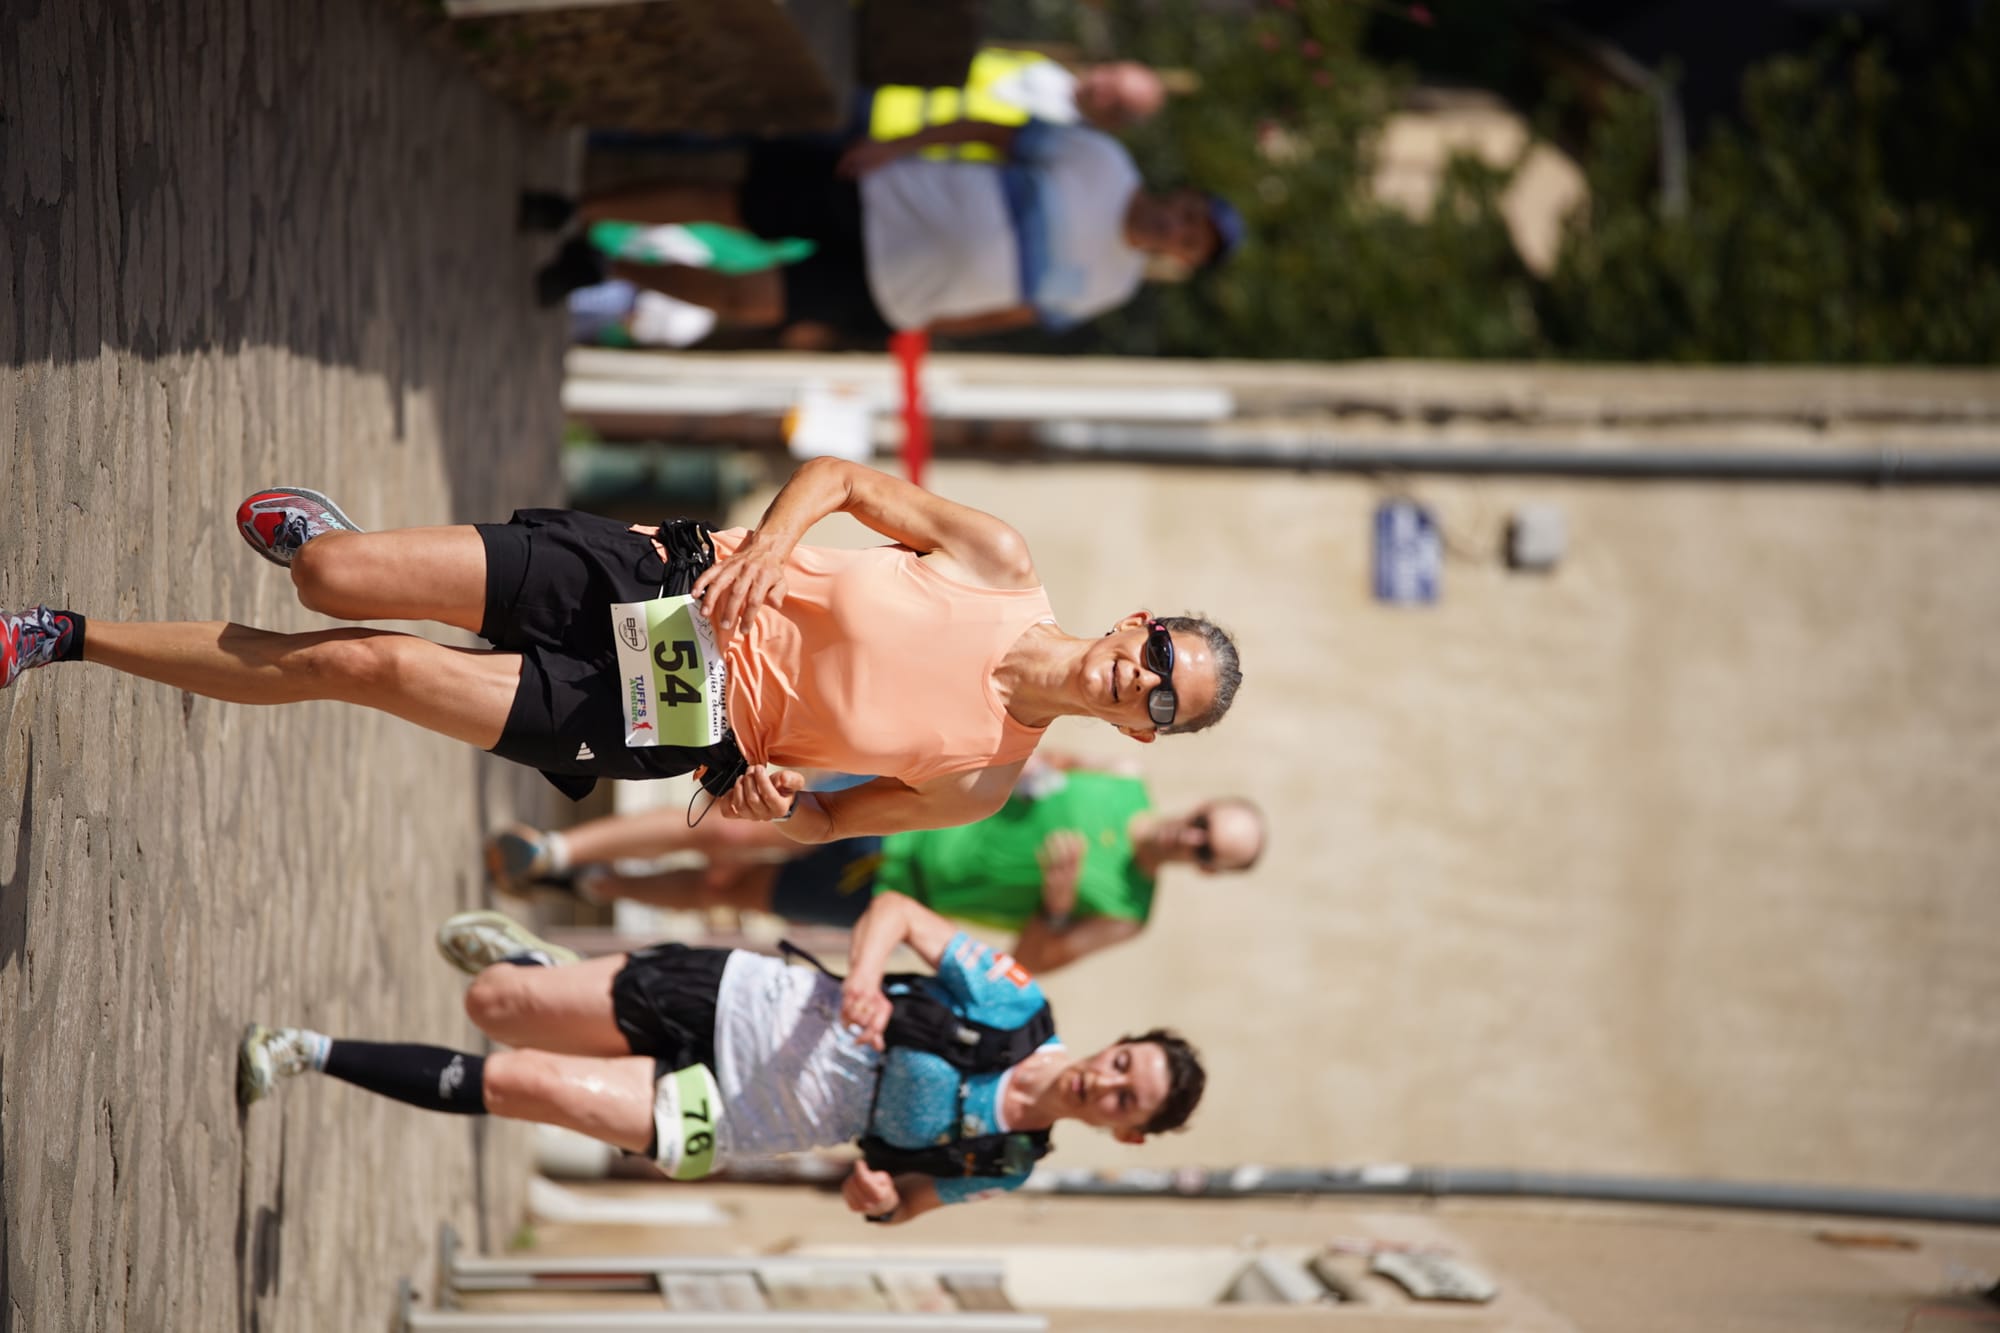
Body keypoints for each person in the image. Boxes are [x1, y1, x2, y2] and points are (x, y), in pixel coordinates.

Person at [0, 459, 1242, 839]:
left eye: (1159, 705)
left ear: (1143, 735)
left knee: (357, 665)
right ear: (1139, 620)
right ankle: (337, 545)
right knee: (330, 577)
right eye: (1158, 655)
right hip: (669, 576)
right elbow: (847, 480)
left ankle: (62, 636)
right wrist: (771, 542)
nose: (1138, 681)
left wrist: (769, 799)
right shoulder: (996, 560)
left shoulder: (977, 782)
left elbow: (815, 828)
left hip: (677, 715)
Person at [237, 892, 1206, 1225]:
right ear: (1116, 1046)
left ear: (1125, 1131)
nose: (1109, 1078)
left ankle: (306, 1051)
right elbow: (897, 913)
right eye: (1126, 1059)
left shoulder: (1005, 1164)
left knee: (527, 1081)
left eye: (1129, 1096)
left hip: (747, 1116)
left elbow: (904, 1198)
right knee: (496, 1004)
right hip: (752, 1000)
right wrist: (865, 976)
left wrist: (878, 1201)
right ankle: (539, 969)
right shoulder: (1016, 1005)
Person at [489, 757, 1268, 974]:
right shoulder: (1119, 783)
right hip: (897, 810)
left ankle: (591, 883)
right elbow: (1036, 757)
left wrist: (1057, 904)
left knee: (725, 887)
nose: (1193, 840)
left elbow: (1025, 964)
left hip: (899, 891)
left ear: (1208, 873)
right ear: (1200, 803)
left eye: (1209, 853)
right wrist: (1031, 770)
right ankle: (556, 849)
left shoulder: (1126, 910)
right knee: (733, 826)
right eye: (1206, 825)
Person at [537, 117, 1245, 347]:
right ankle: (580, 210)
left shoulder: (1114, 284)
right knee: (731, 206)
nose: (1178, 231)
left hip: (894, 291)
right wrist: (897, 147)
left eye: (1190, 243)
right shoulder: (1102, 159)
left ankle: (608, 266)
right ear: (1182, 198)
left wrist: (921, 328)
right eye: (1190, 218)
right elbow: (988, 132)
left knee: (745, 301)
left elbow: (1015, 313)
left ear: (1178, 259)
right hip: (888, 196)